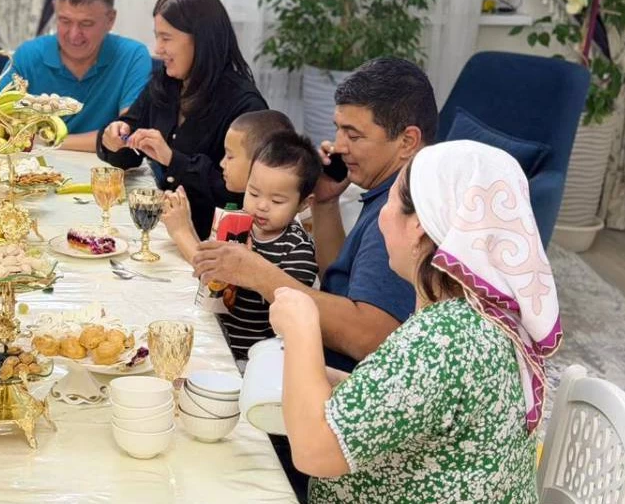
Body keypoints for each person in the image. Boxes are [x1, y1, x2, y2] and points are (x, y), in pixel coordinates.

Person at [191, 57, 438, 502]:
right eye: (338, 129)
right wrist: (325, 203)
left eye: (354, 135)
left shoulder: (405, 216)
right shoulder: (384, 192)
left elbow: (368, 335)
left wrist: (262, 276)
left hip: (337, 423)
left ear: (407, 141)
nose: (337, 146)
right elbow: (339, 278)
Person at [270, 141, 557, 503]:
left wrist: (301, 327)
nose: (381, 218)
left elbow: (314, 452)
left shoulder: (446, 338)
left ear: (420, 226)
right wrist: (314, 372)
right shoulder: (480, 314)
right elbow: (411, 399)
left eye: (389, 203)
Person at [99, 0, 267, 235]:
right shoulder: (165, 82)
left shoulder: (244, 105)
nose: (158, 49)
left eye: (166, 38)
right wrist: (114, 140)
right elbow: (130, 147)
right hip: (160, 225)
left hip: (206, 239)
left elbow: (237, 194)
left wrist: (172, 159)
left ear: (200, 40)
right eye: (157, 37)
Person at [165, 130, 320, 360]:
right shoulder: (236, 222)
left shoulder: (296, 248)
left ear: (304, 204)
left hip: (255, 357)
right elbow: (208, 269)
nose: (262, 206)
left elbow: (293, 309)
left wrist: (250, 268)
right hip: (218, 339)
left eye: (277, 200)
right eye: (254, 193)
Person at [0, 0, 152, 152]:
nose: (74, 35)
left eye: (86, 24)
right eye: (65, 21)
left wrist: (44, 142)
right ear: (55, 10)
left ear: (110, 19)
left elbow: (128, 134)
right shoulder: (29, 54)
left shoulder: (132, 56)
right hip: (34, 165)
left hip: (101, 166)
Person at [162, 109, 297, 262]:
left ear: (261, 161)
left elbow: (217, 272)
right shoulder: (247, 210)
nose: (222, 163)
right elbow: (214, 258)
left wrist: (180, 232)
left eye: (230, 156)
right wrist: (186, 222)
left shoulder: (273, 228)